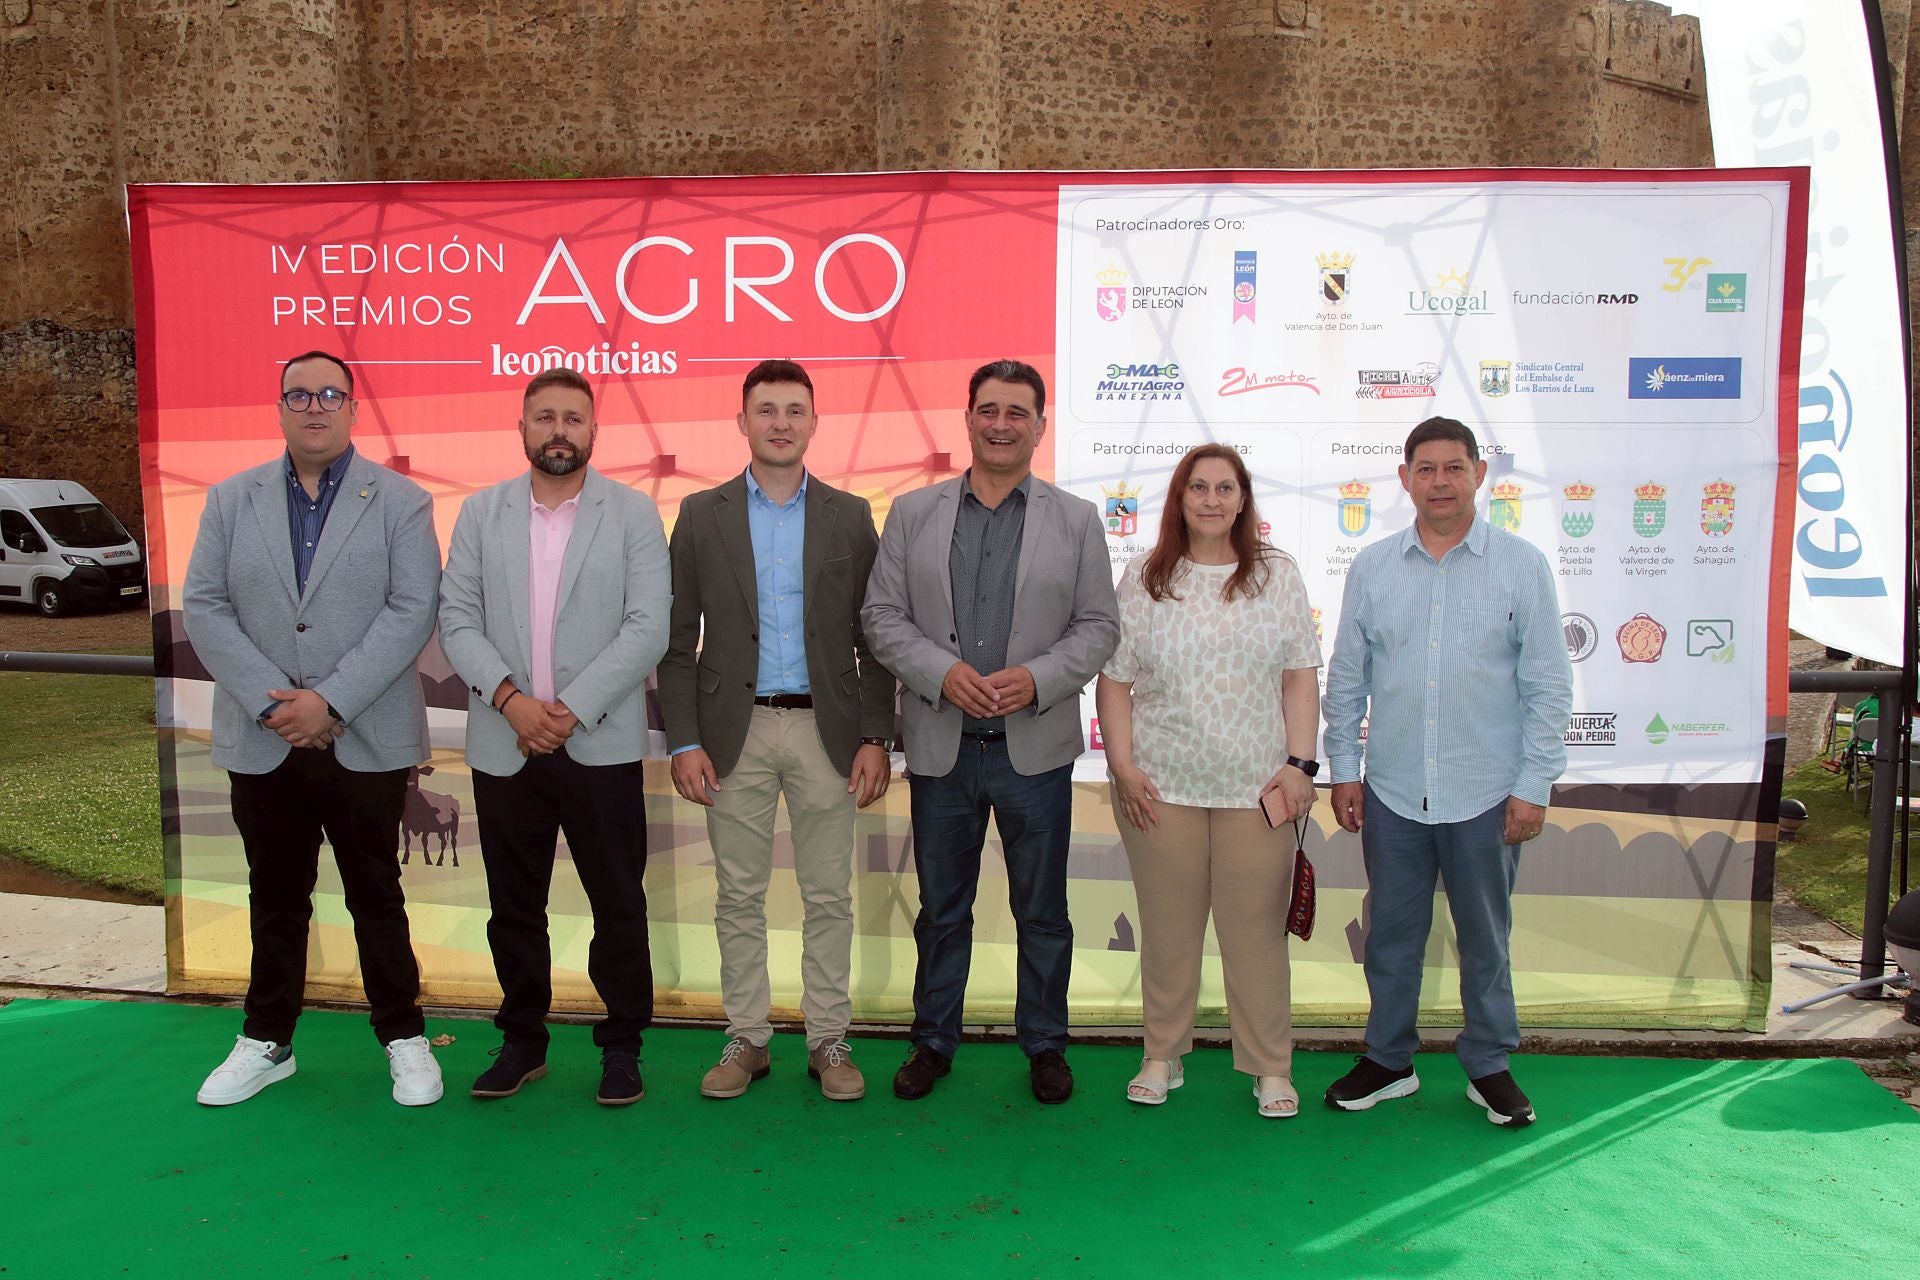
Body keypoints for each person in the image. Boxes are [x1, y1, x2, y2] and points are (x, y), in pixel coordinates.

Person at [183, 349, 443, 1108]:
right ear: (280, 408)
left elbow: (410, 608)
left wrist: (328, 702)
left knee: (375, 892)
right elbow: (205, 606)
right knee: (276, 893)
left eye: (330, 393)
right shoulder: (231, 500)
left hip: (363, 734)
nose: (314, 405)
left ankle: (404, 1037)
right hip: (263, 739)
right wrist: (276, 706)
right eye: (298, 394)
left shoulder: (400, 501)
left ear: (353, 408)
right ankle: (267, 1040)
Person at [862, 358, 1120, 1104]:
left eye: (1017, 412)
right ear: (967, 418)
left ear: (1040, 424)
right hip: (942, 747)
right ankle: (932, 1042)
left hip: (1032, 752)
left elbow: (1099, 625)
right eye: (988, 410)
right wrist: (939, 672)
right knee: (943, 911)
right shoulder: (913, 514)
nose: (1001, 424)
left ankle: (1044, 1044)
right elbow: (881, 617)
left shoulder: (1075, 519)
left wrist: (1037, 678)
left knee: (1042, 914)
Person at [1321, 416, 1572, 1128]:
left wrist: (1533, 785)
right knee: (1392, 937)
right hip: (1394, 790)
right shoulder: (1371, 568)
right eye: (1425, 468)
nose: (1439, 481)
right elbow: (1347, 677)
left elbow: (1548, 686)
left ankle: (1488, 1063)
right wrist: (1344, 769)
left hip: (1487, 793)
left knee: (1485, 940)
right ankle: (1388, 1060)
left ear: (1479, 476)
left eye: (1454, 467)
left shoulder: (1521, 566)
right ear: (1404, 479)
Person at [658, 359, 896, 1103]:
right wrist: (683, 738)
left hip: (829, 731)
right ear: (742, 422)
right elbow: (676, 642)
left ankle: (827, 1038)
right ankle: (748, 1039)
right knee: (738, 896)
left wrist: (875, 736)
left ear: (815, 424)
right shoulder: (701, 514)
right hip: (735, 734)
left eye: (795, 410)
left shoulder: (850, 515)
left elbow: (875, 637)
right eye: (767, 410)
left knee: (829, 896)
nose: (781, 422)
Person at [438, 367, 670, 1107]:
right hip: (507, 743)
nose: (559, 431)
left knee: (618, 904)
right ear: (522, 428)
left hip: (596, 743)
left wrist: (568, 708)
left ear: (594, 431)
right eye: (545, 417)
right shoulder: (480, 514)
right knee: (514, 906)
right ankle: (522, 1042)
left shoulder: (632, 514)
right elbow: (457, 621)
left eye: (573, 418)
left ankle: (622, 1046)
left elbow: (648, 628)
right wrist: (512, 702)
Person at [1093, 444, 1321, 1118]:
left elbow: (1300, 676)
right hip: (1160, 792)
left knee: (1256, 936)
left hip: (1259, 794)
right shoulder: (1145, 576)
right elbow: (1115, 682)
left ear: (1244, 498)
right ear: (1180, 497)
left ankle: (1270, 1068)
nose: (1212, 499)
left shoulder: (1277, 575)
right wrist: (1123, 767)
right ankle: (1162, 1056)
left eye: (1226, 487)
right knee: (1168, 932)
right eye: (1199, 487)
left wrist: (1300, 765)